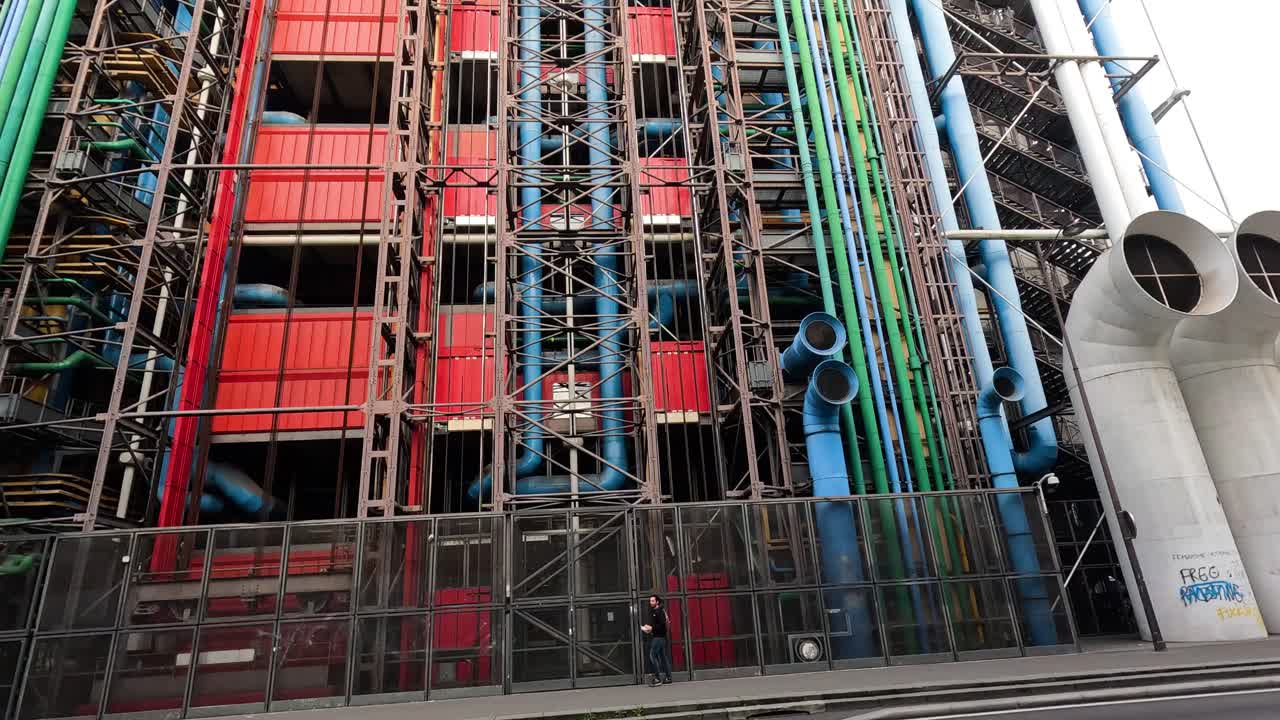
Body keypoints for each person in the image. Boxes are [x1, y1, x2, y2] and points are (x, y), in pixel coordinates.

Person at [640, 595, 673, 686]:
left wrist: (651, 628)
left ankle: (658, 679)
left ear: (657, 602)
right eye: (650, 601)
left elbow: (662, 626)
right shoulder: (656, 611)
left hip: (658, 638)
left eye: (653, 601)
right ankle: (668, 677)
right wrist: (649, 628)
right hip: (660, 638)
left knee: (652, 656)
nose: (651, 602)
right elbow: (659, 625)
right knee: (662, 657)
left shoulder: (659, 611)